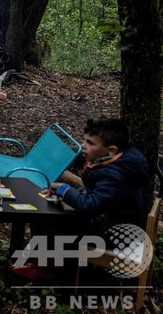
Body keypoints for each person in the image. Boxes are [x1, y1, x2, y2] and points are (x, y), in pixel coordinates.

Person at [13, 117, 149, 281]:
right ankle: (42, 260)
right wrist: (70, 193)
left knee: (51, 219)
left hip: (115, 235)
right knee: (51, 209)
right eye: (84, 140)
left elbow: (90, 205)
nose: (83, 146)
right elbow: (97, 196)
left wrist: (66, 190)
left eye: (91, 143)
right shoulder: (114, 162)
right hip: (107, 221)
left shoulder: (115, 176)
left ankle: (48, 269)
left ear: (111, 150)